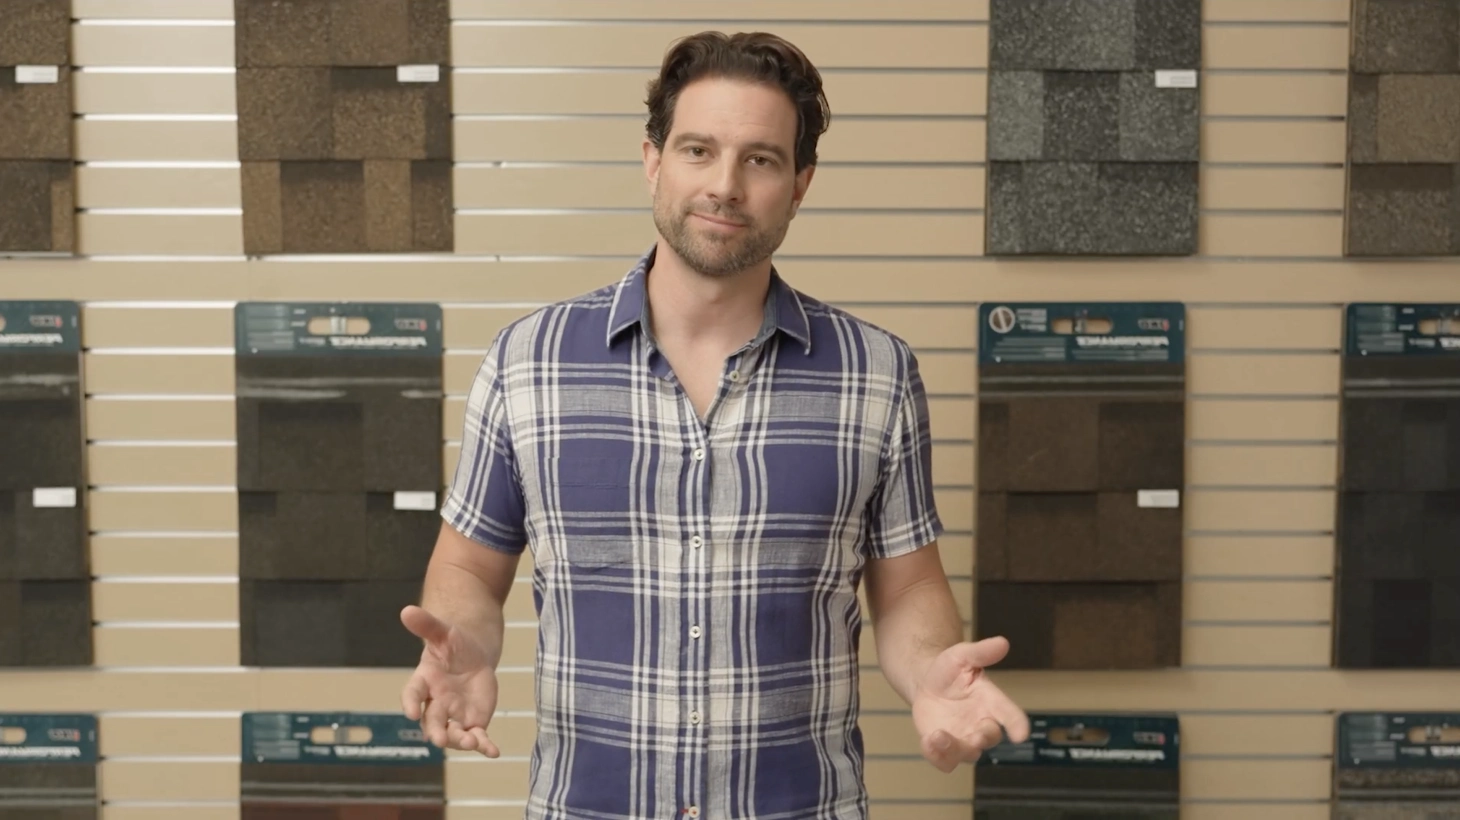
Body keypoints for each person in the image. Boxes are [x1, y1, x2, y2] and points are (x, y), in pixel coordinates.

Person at [398, 29, 1030, 820]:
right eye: (698, 150)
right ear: (653, 160)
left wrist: (934, 667)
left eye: (760, 159)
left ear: (800, 184)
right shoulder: (529, 362)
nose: (725, 185)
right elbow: (468, 571)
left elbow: (908, 590)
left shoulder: (877, 373)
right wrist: (467, 643)